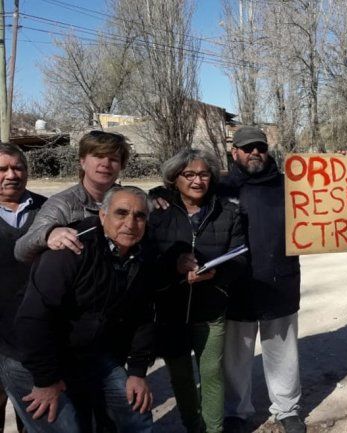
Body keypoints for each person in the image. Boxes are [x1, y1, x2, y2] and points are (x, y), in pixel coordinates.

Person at [12, 186, 156, 433]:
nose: (131, 223)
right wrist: (45, 380)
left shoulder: (142, 255)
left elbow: (143, 314)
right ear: (103, 215)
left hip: (92, 353)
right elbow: (33, 318)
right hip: (34, 356)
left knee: (136, 415)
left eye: (140, 216)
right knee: (66, 427)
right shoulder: (72, 249)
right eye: (121, 213)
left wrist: (137, 372)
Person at [147, 149, 246, 433]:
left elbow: (240, 258)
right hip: (171, 310)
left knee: (212, 374)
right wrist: (174, 266)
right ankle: (193, 426)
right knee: (180, 376)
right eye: (189, 174)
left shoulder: (228, 211)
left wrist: (218, 273)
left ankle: (213, 430)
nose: (197, 181)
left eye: (203, 174)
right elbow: (146, 259)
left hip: (211, 308)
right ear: (174, 178)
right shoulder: (158, 213)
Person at [220, 127, 304, 433]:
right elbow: (184, 193)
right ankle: (236, 411)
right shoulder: (220, 188)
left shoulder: (290, 186)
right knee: (236, 357)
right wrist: (162, 194)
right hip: (236, 286)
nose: (255, 152)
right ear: (235, 153)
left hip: (280, 282)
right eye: (247, 148)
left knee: (282, 353)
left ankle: (287, 409)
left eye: (260, 147)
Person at [15, 130, 130, 263]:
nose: (105, 164)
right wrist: (48, 234)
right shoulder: (62, 204)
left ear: (121, 165)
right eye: (99, 156)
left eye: (113, 159)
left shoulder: (134, 202)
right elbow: (20, 250)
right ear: (82, 162)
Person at [0, 143, 46, 433]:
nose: (11, 175)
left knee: (31, 415)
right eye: (2, 169)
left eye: (18, 167)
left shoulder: (48, 210)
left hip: (31, 334)